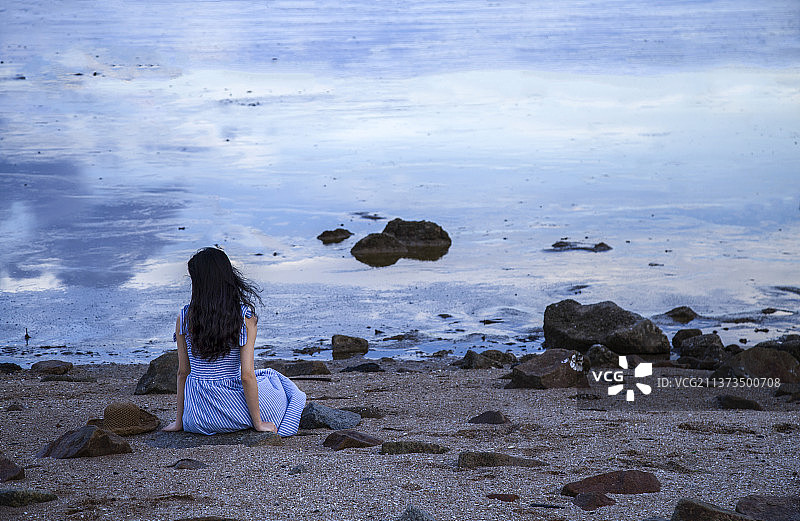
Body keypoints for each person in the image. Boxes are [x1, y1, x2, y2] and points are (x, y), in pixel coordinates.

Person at [163, 247, 306, 436]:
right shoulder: (244, 316)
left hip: (197, 417)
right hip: (232, 407)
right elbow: (246, 375)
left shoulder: (185, 316)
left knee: (266, 377)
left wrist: (180, 421)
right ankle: (251, 418)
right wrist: (258, 423)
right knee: (276, 382)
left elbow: (183, 373)